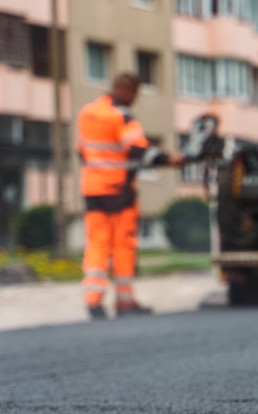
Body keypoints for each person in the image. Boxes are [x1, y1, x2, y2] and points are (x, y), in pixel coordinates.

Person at [76, 73, 184, 320]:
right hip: (119, 192)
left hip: (93, 190)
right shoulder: (121, 116)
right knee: (123, 245)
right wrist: (170, 159)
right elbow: (139, 150)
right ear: (128, 91)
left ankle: (93, 301)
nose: (134, 100)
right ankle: (125, 302)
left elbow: (81, 151)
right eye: (135, 94)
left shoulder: (87, 113)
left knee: (97, 244)